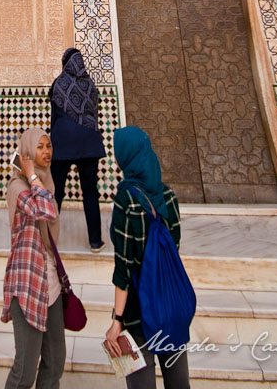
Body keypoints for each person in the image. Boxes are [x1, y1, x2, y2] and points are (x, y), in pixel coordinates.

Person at [104, 126, 190, 389]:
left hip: (138, 311)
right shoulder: (169, 196)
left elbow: (124, 269)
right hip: (170, 304)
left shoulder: (126, 201)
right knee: (179, 383)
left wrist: (117, 321)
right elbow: (174, 247)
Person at [1, 127, 66, 389]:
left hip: (50, 284)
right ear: (27, 152)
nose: (46, 152)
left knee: (55, 361)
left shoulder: (45, 183)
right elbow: (46, 210)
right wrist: (29, 174)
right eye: (39, 147)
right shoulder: (19, 188)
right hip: (27, 285)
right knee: (25, 370)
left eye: (48, 146)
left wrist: (36, 178)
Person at [48, 47, 106, 250]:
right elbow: (94, 113)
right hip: (89, 144)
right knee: (90, 192)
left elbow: (54, 112)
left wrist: (52, 138)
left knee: (56, 191)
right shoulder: (90, 85)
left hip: (63, 142)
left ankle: (49, 238)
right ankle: (95, 241)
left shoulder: (59, 83)